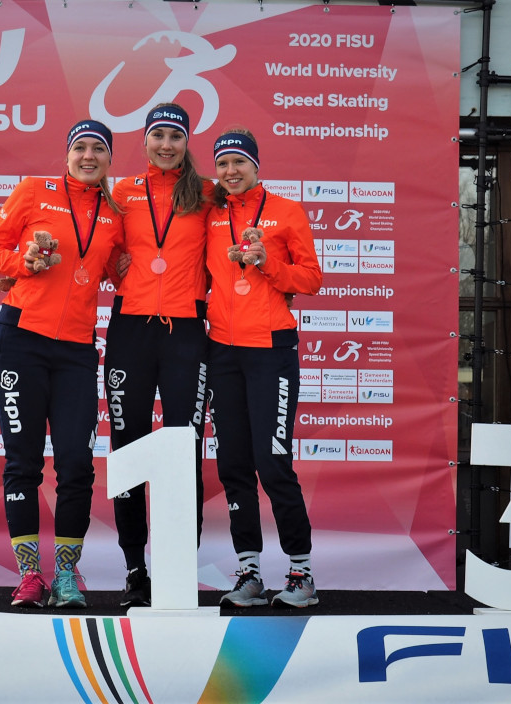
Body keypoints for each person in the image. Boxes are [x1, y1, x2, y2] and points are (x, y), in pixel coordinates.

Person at [0, 119, 124, 608]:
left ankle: (65, 574)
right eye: (79, 147)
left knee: (77, 466)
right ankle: (28, 576)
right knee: (22, 463)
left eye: (98, 150)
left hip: (78, 351)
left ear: (109, 159)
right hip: (21, 341)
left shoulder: (114, 211)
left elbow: (113, 267)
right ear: (66, 154)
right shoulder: (33, 190)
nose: (88, 156)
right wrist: (23, 265)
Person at [204, 129, 322, 608]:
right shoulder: (210, 213)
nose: (231, 171)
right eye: (223, 163)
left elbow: (311, 278)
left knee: (272, 464)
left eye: (239, 162)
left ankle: (301, 575)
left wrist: (268, 262)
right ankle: (249, 572)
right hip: (222, 351)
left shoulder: (286, 210)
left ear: (256, 166)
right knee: (233, 466)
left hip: (270, 348)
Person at [105, 103, 213, 607]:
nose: (165, 144)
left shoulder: (207, 193)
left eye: (175, 135)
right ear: (145, 140)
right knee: (127, 447)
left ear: (186, 141)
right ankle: (134, 567)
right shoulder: (121, 190)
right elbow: (97, 247)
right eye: (157, 135)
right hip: (130, 329)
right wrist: (113, 266)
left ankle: (178, 565)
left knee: (183, 447)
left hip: (187, 333)